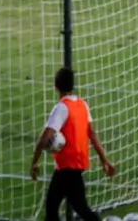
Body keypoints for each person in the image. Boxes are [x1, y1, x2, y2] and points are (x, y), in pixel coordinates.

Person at [29, 66, 118, 221]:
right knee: (71, 207)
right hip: (76, 166)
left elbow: (44, 138)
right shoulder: (83, 105)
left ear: (56, 86)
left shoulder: (61, 108)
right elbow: (93, 135)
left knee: (62, 209)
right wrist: (105, 161)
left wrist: (34, 162)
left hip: (67, 168)